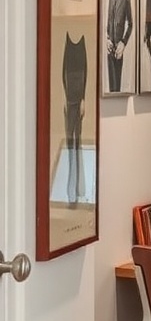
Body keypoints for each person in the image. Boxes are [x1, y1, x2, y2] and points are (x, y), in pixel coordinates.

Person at [62, 31, 87, 206]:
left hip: (78, 102)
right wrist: (65, 97)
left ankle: (77, 190)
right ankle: (71, 192)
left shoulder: (82, 48)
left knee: (77, 144)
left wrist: (83, 99)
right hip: (70, 101)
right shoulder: (68, 48)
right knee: (71, 145)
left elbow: (84, 75)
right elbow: (63, 74)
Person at [106, 0, 133, 93]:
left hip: (119, 51)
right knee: (110, 89)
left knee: (117, 89)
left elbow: (131, 23)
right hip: (109, 50)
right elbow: (108, 20)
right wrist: (107, 38)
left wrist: (123, 42)